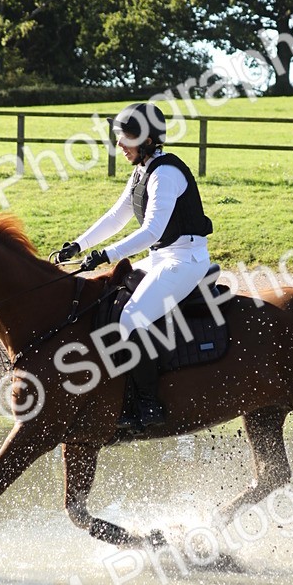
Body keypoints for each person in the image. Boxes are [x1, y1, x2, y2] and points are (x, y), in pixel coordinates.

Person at [56, 102, 213, 433]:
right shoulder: (143, 171)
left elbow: (152, 231)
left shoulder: (166, 174)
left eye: (125, 138)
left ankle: (149, 404)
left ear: (147, 140)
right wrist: (79, 244)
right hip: (162, 257)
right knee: (109, 296)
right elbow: (116, 217)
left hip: (185, 260)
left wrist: (107, 254)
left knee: (130, 318)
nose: (119, 146)